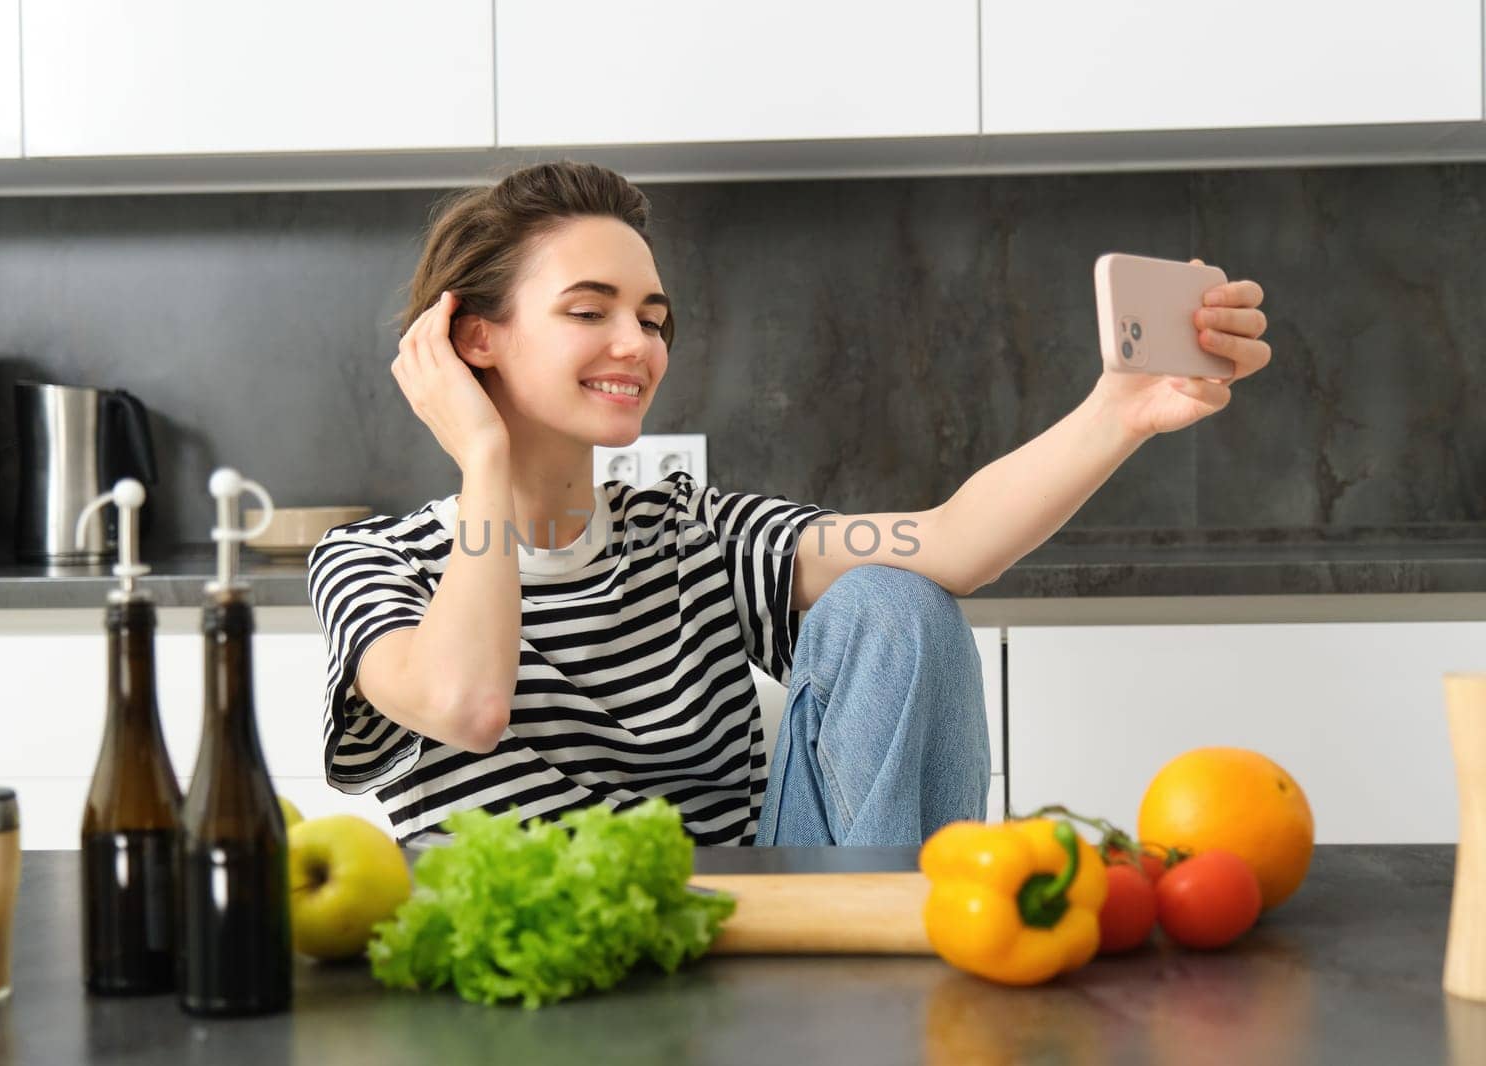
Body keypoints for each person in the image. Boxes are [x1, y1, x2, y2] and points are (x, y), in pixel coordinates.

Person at [308, 161, 1270, 847]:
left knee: (898, 600)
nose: (638, 345)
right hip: (524, 977)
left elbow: (950, 544)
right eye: (589, 309)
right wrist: (481, 452)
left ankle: (889, 968)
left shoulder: (693, 532)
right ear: (473, 340)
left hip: (756, 935)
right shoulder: (372, 563)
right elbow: (466, 705)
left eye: (652, 317)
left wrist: (1122, 411)